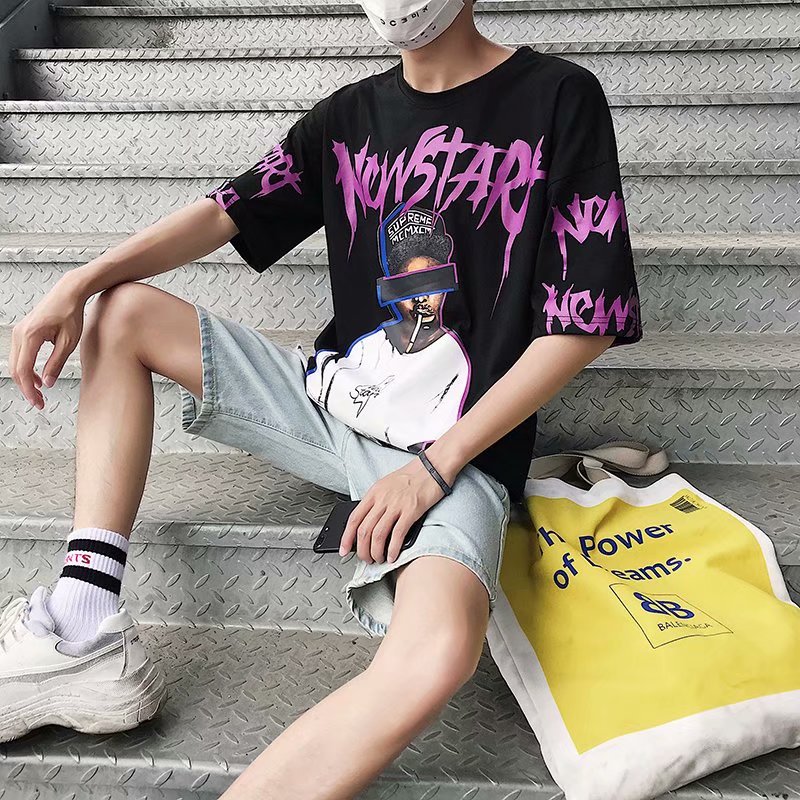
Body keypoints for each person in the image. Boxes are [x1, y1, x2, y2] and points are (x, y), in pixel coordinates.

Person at [0, 0, 643, 796]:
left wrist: (435, 467)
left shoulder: (557, 97)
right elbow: (224, 212)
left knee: (438, 653)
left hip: (455, 451)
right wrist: (80, 279)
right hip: (335, 402)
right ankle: (84, 613)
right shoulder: (348, 118)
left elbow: (584, 323)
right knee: (121, 309)